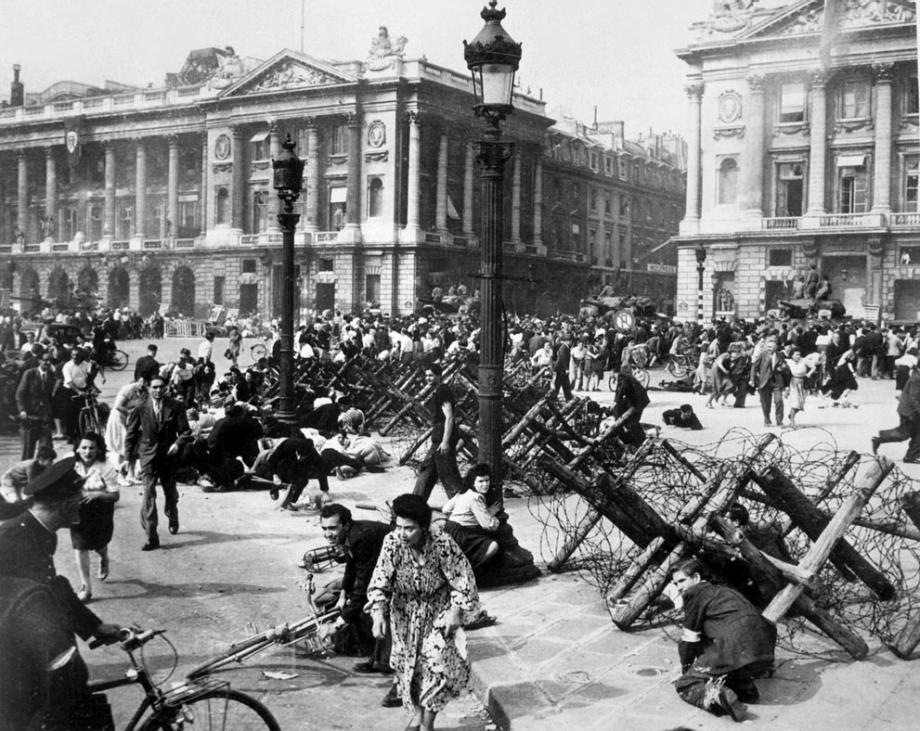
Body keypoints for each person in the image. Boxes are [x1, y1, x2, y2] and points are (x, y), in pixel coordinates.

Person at [0, 459, 123, 729]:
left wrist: (95, 627)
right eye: (78, 497)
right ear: (64, 502)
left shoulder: (44, 533)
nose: (82, 503)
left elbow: (52, 586)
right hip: (18, 664)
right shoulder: (10, 538)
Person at [366, 494, 479, 731]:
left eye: (410, 529)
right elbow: (380, 581)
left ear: (424, 527)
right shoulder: (392, 542)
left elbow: (462, 579)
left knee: (437, 667)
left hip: (437, 611)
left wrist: (456, 611)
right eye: (399, 527)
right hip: (404, 614)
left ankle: (427, 725)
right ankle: (417, 715)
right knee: (410, 671)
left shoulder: (442, 543)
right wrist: (378, 614)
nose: (403, 533)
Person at [669, 558, 776, 723]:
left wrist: (687, 669)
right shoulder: (724, 591)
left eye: (682, 581)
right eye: (676, 584)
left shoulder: (695, 594)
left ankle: (718, 696)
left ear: (696, 578)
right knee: (721, 664)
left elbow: (689, 638)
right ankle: (745, 690)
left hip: (734, 646)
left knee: (686, 684)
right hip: (763, 650)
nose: (679, 587)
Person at [319, 504, 399, 706]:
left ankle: (385, 663)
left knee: (376, 607)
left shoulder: (361, 538)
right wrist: (343, 594)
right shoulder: (351, 536)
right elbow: (351, 568)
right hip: (386, 569)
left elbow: (363, 587)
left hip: (403, 570)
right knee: (357, 605)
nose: (328, 534)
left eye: (332, 528)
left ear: (345, 525)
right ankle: (379, 659)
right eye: (324, 529)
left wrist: (337, 624)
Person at [124, 374, 191, 551]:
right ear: (148, 388)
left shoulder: (176, 406)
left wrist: (177, 444)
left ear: (166, 387)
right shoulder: (140, 406)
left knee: (170, 492)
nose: (158, 390)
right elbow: (131, 433)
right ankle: (151, 535)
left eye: (161, 387)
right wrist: (126, 459)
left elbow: (186, 432)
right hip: (148, 455)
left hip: (168, 457)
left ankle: (172, 514)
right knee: (148, 494)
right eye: (154, 387)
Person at [70, 432, 120, 603]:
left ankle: (104, 557)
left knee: (99, 545)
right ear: (77, 449)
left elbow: (115, 496)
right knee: (80, 546)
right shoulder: (70, 465)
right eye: (84, 447)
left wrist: (99, 495)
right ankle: (86, 587)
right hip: (78, 512)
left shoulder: (106, 466)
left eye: (92, 448)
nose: (88, 451)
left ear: (98, 449)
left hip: (100, 512)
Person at [413, 363, 464, 501]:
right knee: (428, 470)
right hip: (438, 436)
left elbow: (449, 417)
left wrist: (446, 442)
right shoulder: (439, 390)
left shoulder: (443, 390)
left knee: (448, 474)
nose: (428, 379)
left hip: (443, 437)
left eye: (431, 375)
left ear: (439, 376)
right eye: (426, 376)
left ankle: (463, 505)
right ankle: (415, 503)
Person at [441, 463, 502, 570]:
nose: (485, 485)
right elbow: (488, 525)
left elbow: (445, 509)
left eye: (487, 480)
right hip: (461, 534)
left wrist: (465, 514)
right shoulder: (476, 497)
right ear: (473, 483)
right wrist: (495, 517)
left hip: (450, 529)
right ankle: (469, 570)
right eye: (480, 481)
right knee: (493, 546)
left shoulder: (464, 492)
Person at [872, 361, 920, 463]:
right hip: (910, 412)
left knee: (916, 434)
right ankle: (880, 439)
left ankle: (911, 456)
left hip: (910, 411)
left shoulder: (917, 376)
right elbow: (914, 397)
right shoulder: (917, 379)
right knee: (903, 434)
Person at [15, 351, 56, 460]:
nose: (48, 362)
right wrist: (22, 410)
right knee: (28, 450)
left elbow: (50, 397)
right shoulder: (30, 373)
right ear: (39, 360)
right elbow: (20, 393)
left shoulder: (51, 376)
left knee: (46, 450)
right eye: (45, 360)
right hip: (30, 416)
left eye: (50, 361)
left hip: (44, 417)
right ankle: (25, 475)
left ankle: (44, 475)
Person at [749, 337, 788, 427]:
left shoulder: (780, 355)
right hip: (764, 381)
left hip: (777, 381)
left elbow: (785, 366)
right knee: (765, 402)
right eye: (768, 346)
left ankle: (779, 421)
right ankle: (767, 420)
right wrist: (752, 379)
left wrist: (782, 368)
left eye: (771, 347)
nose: (769, 348)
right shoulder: (762, 354)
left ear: (776, 347)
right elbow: (754, 367)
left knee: (779, 401)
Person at [612, 362, 651, 448]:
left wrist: (615, 401)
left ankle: (642, 442)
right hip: (639, 400)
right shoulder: (625, 376)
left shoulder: (622, 377)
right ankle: (638, 441)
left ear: (615, 373)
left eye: (613, 376)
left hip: (638, 401)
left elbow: (621, 390)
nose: (613, 379)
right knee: (631, 421)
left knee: (632, 422)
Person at [784, 347, 814, 428]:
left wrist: (809, 374)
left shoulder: (804, 360)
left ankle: (791, 415)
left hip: (803, 382)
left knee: (801, 404)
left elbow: (814, 366)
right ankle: (792, 422)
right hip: (794, 382)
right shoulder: (789, 362)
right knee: (795, 402)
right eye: (796, 355)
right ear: (792, 355)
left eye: (799, 354)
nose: (798, 356)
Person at [551, 333, 574, 401]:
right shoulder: (563, 348)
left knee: (563, 384)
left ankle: (567, 397)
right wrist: (566, 368)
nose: (571, 342)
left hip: (561, 369)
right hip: (561, 369)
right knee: (561, 384)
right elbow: (562, 359)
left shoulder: (566, 347)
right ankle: (566, 397)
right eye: (570, 340)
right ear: (567, 341)